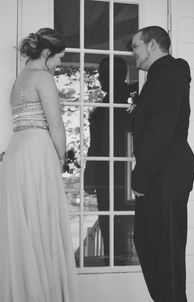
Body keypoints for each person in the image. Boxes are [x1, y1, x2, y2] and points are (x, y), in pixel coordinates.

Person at [0, 28, 79, 302]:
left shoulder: (19, 78)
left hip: (16, 154)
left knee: (24, 228)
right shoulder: (43, 77)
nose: (59, 64)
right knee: (43, 224)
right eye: (58, 58)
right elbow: (56, 124)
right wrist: (60, 159)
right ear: (46, 53)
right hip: (37, 153)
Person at [131, 25, 194, 302]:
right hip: (160, 176)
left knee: (166, 261)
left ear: (153, 45)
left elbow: (161, 134)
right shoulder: (160, 77)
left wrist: (140, 180)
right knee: (150, 249)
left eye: (136, 46)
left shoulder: (167, 77)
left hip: (165, 178)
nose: (133, 53)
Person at [84, 56, 138, 264]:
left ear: (116, 74)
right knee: (108, 223)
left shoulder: (131, 97)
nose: (99, 78)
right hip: (106, 173)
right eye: (100, 73)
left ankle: (123, 263)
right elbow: (95, 143)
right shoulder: (106, 102)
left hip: (123, 173)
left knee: (120, 224)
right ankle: (113, 262)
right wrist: (90, 173)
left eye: (103, 73)